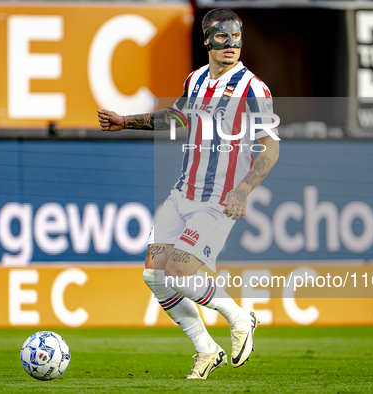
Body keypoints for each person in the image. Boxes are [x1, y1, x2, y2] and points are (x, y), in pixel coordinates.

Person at [97, 8, 280, 379]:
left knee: (179, 273)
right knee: (154, 275)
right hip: (183, 193)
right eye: (222, 35)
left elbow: (271, 147)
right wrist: (125, 122)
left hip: (218, 198)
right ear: (207, 40)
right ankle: (205, 348)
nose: (231, 43)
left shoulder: (253, 89)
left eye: (236, 36)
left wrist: (243, 190)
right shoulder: (196, 79)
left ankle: (239, 317)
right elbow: (177, 118)